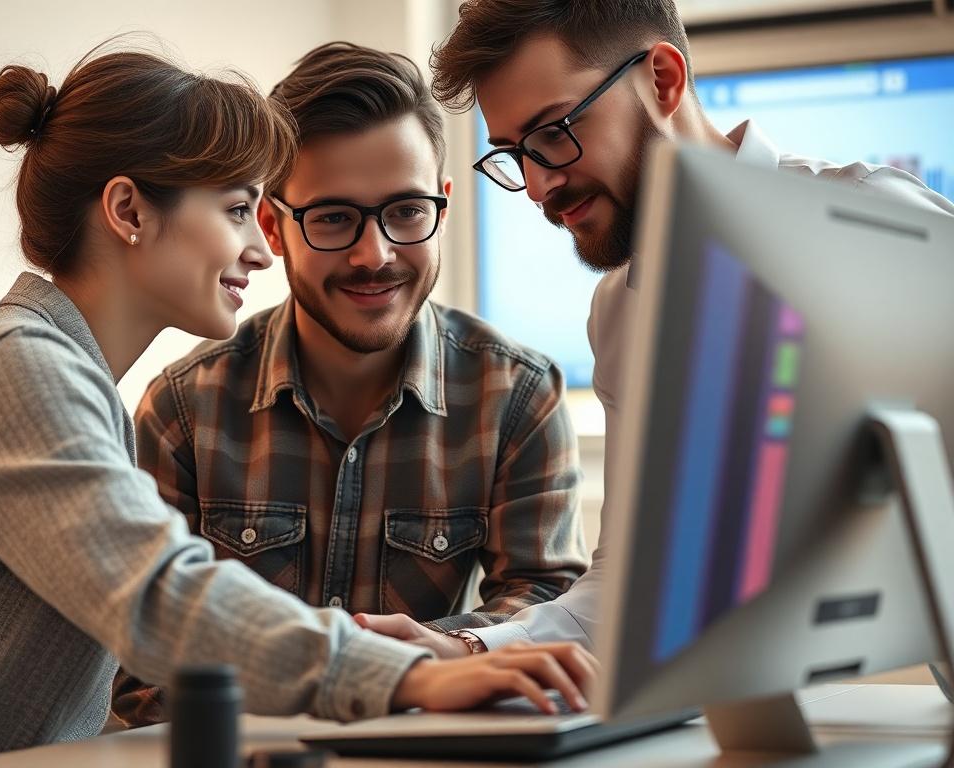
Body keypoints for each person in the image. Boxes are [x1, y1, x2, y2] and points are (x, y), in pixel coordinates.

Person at [0, 43, 595, 764]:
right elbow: (154, 595)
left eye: (404, 210)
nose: (259, 248)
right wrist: (405, 672)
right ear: (127, 210)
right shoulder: (15, 365)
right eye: (239, 209)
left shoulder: (61, 375)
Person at [357, 0, 954, 658]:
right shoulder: (619, 312)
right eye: (514, 155)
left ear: (664, 80)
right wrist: (467, 649)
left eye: (554, 132)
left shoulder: (876, 226)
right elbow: (625, 590)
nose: (536, 186)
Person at [111, 40, 588, 727]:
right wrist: (363, 679)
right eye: (334, 217)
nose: (376, 254)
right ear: (273, 225)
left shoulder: (516, 396)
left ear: (443, 210)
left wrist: (444, 652)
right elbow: (142, 677)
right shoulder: (183, 410)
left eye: (406, 211)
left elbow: (547, 613)